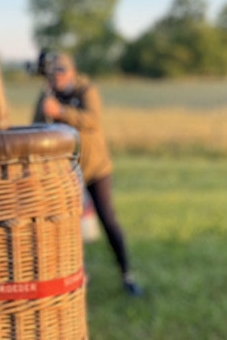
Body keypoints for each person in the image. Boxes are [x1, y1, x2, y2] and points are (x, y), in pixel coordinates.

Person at [33, 51, 144, 297]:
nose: (57, 78)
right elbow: (36, 128)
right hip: (65, 173)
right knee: (66, 225)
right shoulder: (47, 95)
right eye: (53, 74)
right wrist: (46, 111)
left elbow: (92, 120)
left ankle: (127, 274)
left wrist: (61, 111)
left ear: (72, 72)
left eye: (61, 72)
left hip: (96, 168)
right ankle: (74, 276)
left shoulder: (86, 91)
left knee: (108, 219)